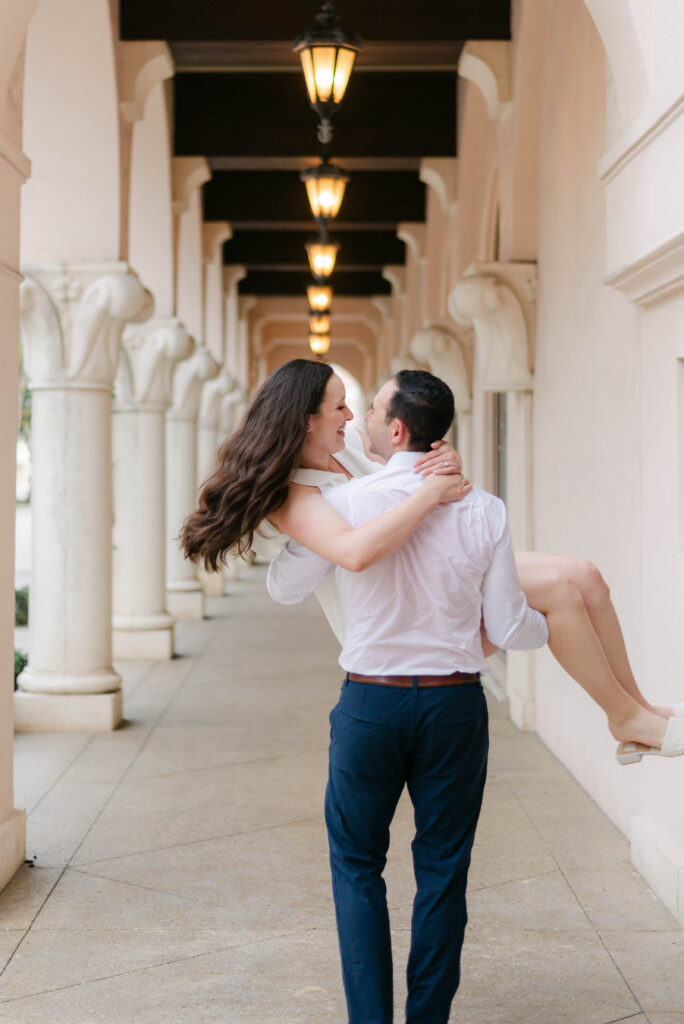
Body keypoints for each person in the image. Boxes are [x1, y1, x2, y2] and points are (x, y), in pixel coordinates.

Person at [181, 359, 684, 760]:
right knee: (558, 589)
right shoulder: (295, 494)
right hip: (395, 610)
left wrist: (444, 460)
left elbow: (402, 453)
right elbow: (350, 552)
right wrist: (431, 494)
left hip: (423, 562)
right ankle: (621, 715)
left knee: (585, 575)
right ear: (307, 419)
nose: (353, 416)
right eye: (340, 407)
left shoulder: (348, 444)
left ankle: (637, 706)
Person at [267, 369, 549, 1023]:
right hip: (454, 708)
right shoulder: (482, 506)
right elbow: (509, 627)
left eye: (366, 411)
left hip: (371, 706)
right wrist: (547, 623)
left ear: (395, 430)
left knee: (358, 867)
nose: (356, 419)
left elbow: (285, 588)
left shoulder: (348, 504)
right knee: (444, 870)